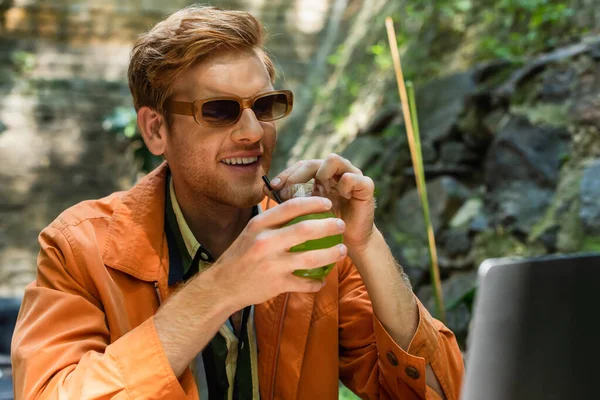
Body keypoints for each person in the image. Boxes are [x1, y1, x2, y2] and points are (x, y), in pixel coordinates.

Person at [11, 5, 464, 400]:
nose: (253, 132)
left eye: (264, 106)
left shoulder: (309, 243)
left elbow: (438, 390)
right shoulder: (80, 247)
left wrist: (365, 242)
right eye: (220, 110)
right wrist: (222, 287)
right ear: (155, 130)